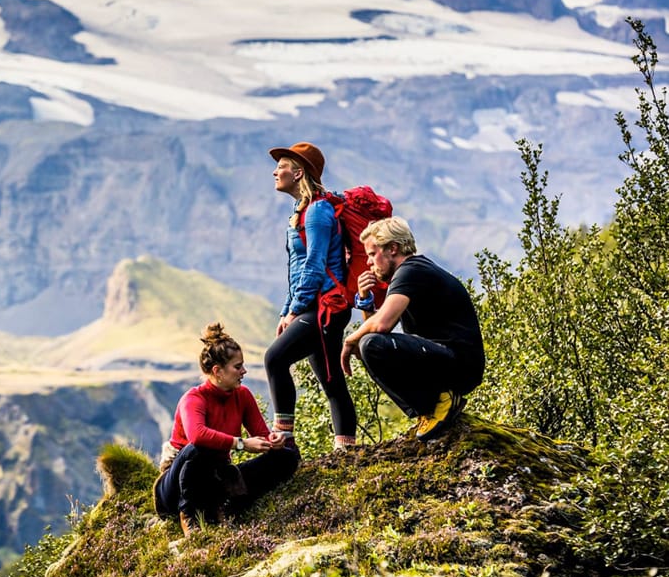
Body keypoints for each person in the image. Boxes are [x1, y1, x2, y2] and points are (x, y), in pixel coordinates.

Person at [340, 216, 485, 441]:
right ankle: (432, 408)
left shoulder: (411, 271)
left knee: (369, 344)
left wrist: (350, 340)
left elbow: (380, 326)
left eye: (371, 253)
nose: (368, 262)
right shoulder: (411, 273)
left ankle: (439, 404)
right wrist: (365, 301)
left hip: (459, 363)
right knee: (370, 344)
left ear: (393, 248)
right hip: (450, 361)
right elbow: (379, 329)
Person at [154, 323, 299, 535]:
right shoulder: (193, 399)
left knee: (287, 457)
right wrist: (241, 444)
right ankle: (189, 515)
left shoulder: (242, 395)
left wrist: (273, 441)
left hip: (215, 477)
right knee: (198, 449)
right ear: (217, 371)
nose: (244, 371)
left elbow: (261, 434)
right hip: (175, 488)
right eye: (237, 367)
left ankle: (224, 505)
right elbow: (198, 435)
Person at [263, 142, 358, 451]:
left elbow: (314, 266)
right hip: (319, 306)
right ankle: (345, 448)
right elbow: (297, 269)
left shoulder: (317, 211)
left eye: (283, 166)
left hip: (325, 307)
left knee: (274, 359)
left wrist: (295, 311)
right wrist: (286, 310)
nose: (276, 171)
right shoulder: (304, 209)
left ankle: (285, 440)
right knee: (330, 380)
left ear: (299, 172)